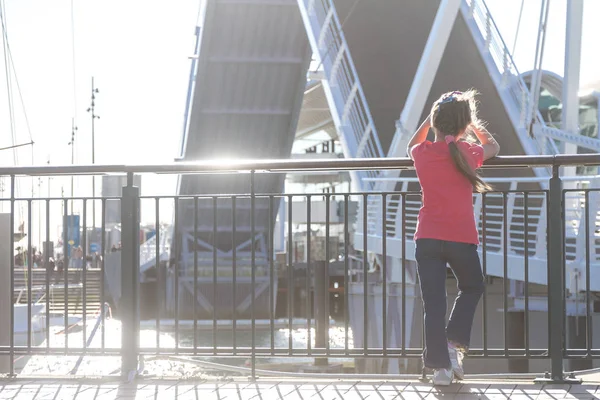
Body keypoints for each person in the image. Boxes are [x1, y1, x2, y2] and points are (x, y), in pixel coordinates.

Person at [407, 90, 500, 386]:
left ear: (435, 122)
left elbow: (413, 143)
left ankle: (440, 370)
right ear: (464, 124)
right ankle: (453, 344)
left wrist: (431, 121)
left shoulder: (422, 154)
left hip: (428, 239)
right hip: (461, 238)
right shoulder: (468, 154)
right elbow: (493, 146)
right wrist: (471, 125)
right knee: (472, 286)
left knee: (434, 304)